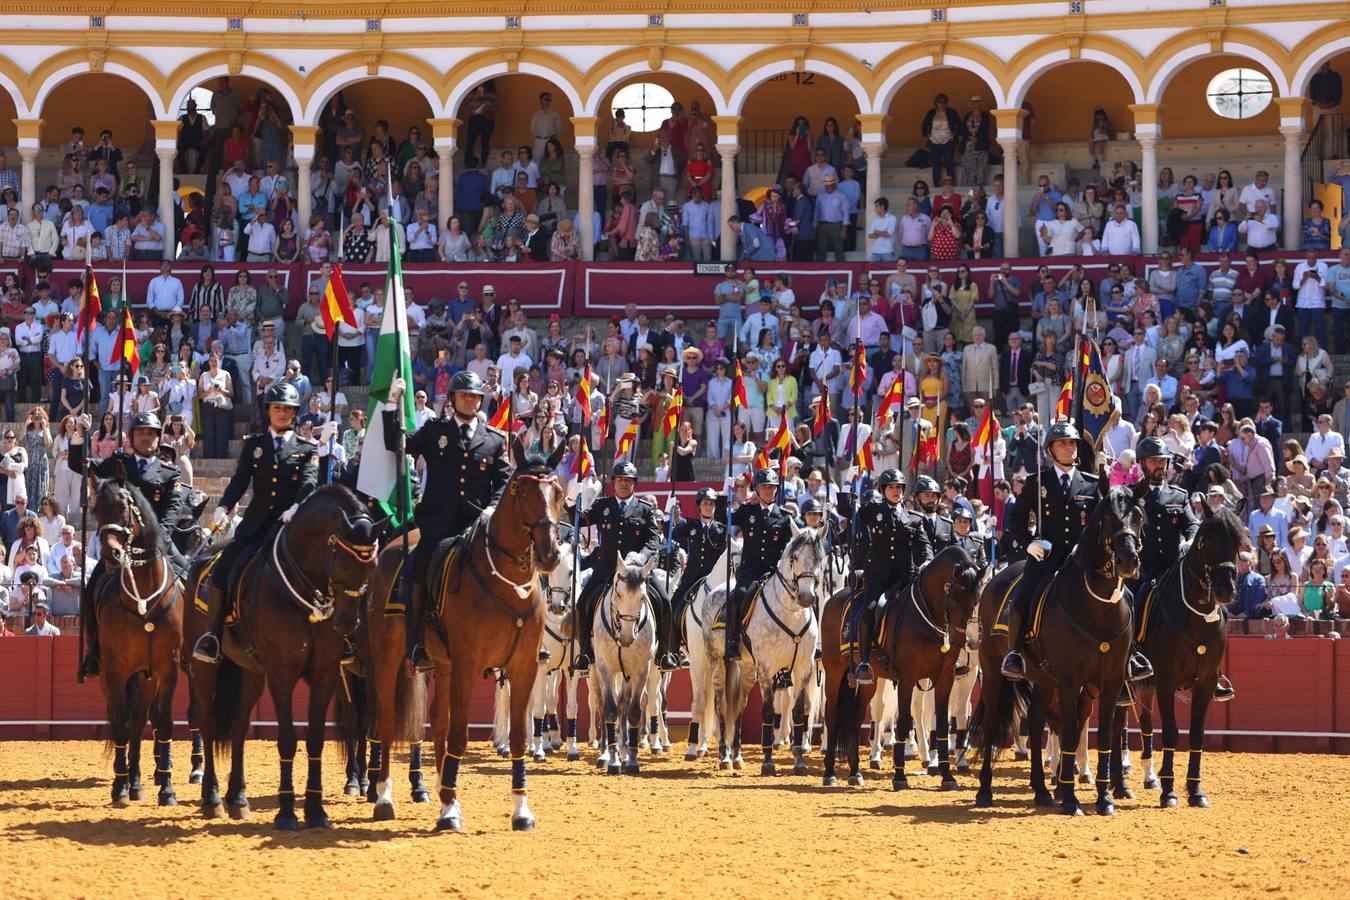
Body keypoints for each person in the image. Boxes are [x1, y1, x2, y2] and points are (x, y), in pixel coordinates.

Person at [385, 369, 509, 669]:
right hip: (437, 525)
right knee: (416, 572)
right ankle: (416, 644)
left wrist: (493, 507)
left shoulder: (493, 440)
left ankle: (502, 643)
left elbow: (504, 480)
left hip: (476, 527)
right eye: (465, 395)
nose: (471, 401)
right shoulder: (434, 431)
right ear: (452, 399)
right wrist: (392, 405)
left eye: (476, 396)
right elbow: (396, 444)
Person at [191, 383, 318, 664]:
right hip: (255, 527)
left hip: (290, 528)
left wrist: (297, 507)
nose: (282, 413)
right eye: (277, 408)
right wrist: (223, 506)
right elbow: (239, 481)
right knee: (223, 569)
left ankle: (334, 638)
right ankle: (213, 635)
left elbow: (309, 482)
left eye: (288, 409)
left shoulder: (307, 448)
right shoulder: (254, 445)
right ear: (268, 411)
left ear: (295, 413)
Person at [68, 411, 186, 678]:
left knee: (191, 580)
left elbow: (172, 509)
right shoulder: (119, 462)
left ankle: (192, 648)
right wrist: (79, 436)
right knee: (91, 590)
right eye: (141, 433)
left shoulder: (170, 472)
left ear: (158, 438)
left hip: (158, 544)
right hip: (122, 545)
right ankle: (94, 652)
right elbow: (82, 466)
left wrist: (157, 538)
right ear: (131, 437)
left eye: (151, 433)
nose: (146, 437)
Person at [1001, 422, 1101, 680]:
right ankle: (1015, 652)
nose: (1069, 448)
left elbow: (1100, 524)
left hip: (1082, 561)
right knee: (1022, 596)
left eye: (1072, 443)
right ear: (1050, 451)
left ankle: (1125, 660)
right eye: (1062, 444)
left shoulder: (1091, 484)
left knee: (1119, 597)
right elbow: (1016, 520)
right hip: (1047, 558)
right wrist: (1028, 543)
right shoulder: (1038, 482)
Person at [571, 460, 673, 672]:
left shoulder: (646, 510)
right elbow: (580, 520)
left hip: (637, 571)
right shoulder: (603, 506)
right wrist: (573, 497)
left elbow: (654, 540)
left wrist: (639, 558)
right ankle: (585, 652)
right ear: (613, 482)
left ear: (635, 484)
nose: (624, 484)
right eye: (620, 480)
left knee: (664, 601)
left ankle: (664, 652)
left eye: (628, 480)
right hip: (606, 569)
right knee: (582, 604)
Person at [851, 468, 932, 684]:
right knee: (869, 611)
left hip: (906, 577)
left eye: (899, 487)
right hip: (878, 576)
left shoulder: (914, 518)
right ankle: (865, 661)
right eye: (891, 487)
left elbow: (924, 545)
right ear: (883, 490)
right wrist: (849, 486)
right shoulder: (873, 511)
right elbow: (850, 514)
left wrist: (927, 561)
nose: (896, 491)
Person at [723, 468, 795, 663]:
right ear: (757, 488)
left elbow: (791, 546)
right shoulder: (748, 511)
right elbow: (724, 518)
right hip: (751, 569)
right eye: (765, 487)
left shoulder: (785, 517)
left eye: (772, 487)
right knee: (738, 595)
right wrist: (725, 493)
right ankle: (732, 640)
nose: (769, 491)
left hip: (774, 571)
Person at [667, 487, 727, 666]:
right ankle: (674, 649)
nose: (708, 507)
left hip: (713, 579)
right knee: (673, 607)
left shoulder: (721, 529)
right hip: (692, 578)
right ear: (699, 506)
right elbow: (673, 534)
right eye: (705, 504)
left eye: (711, 504)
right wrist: (670, 516)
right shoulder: (690, 525)